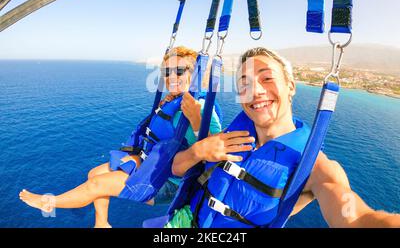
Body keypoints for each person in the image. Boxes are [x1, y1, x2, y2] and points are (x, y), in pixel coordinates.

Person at [166, 47, 400, 228]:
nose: (255, 90)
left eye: (266, 78)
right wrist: (198, 149)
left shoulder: (316, 169)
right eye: (244, 84)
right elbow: (176, 168)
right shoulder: (228, 138)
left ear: (291, 87)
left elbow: (356, 217)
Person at [19, 46, 222, 228]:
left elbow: (217, 153)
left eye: (179, 70)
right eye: (167, 72)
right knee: (93, 174)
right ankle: (102, 224)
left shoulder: (201, 107)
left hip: (170, 182)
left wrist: (196, 120)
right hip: (153, 164)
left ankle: (48, 203)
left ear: (194, 73)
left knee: (96, 186)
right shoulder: (174, 101)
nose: (171, 76)